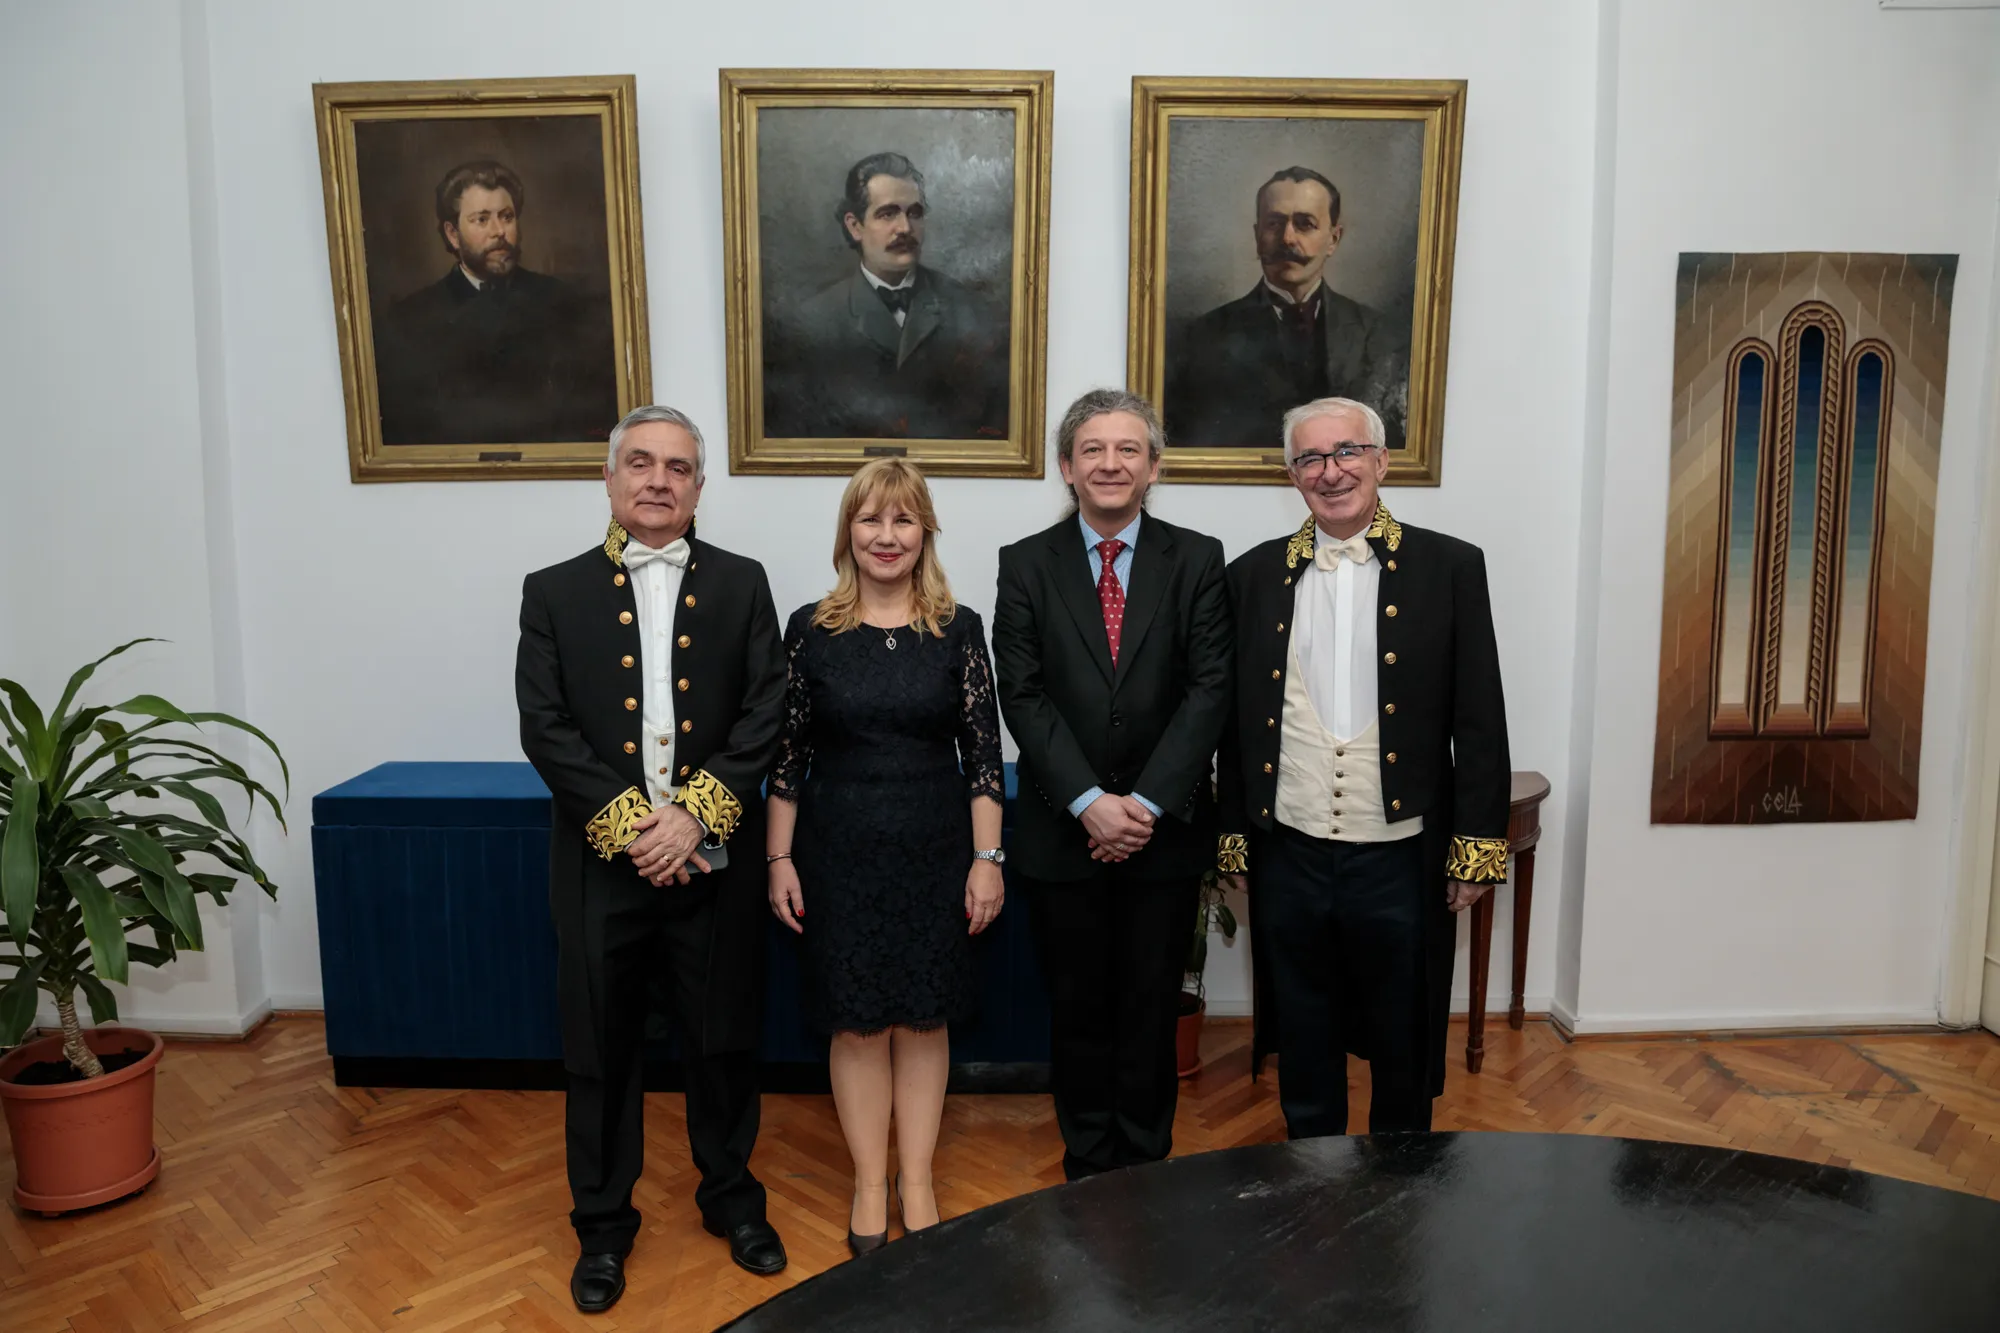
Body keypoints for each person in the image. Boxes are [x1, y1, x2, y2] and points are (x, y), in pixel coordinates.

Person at [516, 405, 788, 1314]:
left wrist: (693, 819)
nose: (658, 480)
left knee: (723, 1038)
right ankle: (602, 1226)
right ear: (610, 477)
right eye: (641, 462)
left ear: (700, 486)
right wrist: (638, 826)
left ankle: (732, 1199)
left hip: (715, 862)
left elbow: (766, 710)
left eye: (677, 467)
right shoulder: (552, 591)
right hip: (600, 868)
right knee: (601, 1048)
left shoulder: (744, 583)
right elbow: (545, 726)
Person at [1217, 396, 1510, 1138]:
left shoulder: (1450, 566)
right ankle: (1311, 1176)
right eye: (1311, 458)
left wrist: (1476, 849)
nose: (1331, 471)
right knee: (1303, 1027)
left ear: (1381, 461)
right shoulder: (1252, 576)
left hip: (1401, 853)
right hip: (1291, 847)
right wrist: (1235, 839)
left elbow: (1480, 717)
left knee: (1404, 1032)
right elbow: (1234, 723)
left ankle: (1399, 1180)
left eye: (1347, 451)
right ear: (1292, 475)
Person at [766, 459, 1006, 1255]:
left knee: (924, 1018)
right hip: (837, 854)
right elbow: (787, 757)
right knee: (859, 1022)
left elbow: (982, 757)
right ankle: (870, 1182)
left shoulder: (959, 628)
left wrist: (988, 858)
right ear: (849, 532)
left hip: (937, 851)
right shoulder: (810, 629)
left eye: (903, 519)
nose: (887, 535)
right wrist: (777, 859)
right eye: (871, 518)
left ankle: (919, 1179)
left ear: (924, 531)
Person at [992, 388, 1232, 1180]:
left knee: (1150, 1005)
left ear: (1153, 467)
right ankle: (1089, 1166)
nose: (1110, 463)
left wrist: (1144, 804)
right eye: (1092, 448)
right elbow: (1022, 693)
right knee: (1078, 1008)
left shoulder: (1197, 558)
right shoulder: (1025, 563)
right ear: (1067, 466)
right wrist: (1092, 802)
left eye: (1128, 448)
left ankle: (1147, 1166)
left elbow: (1209, 690)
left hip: (1164, 836)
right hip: (1065, 833)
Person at [764, 151, 1010, 440]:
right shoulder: (813, 322)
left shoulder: (970, 311)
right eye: (887, 214)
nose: (905, 228)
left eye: (914, 213)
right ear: (855, 226)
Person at [1165, 166, 1408, 453]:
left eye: (1305, 224)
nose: (1288, 238)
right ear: (1257, 235)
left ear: (1333, 239)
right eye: (1274, 223)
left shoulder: (1378, 336)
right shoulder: (1202, 338)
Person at [377, 159, 617, 446]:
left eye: (506, 216)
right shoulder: (411, 320)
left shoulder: (564, 303)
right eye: (481, 219)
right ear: (453, 235)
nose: (499, 231)